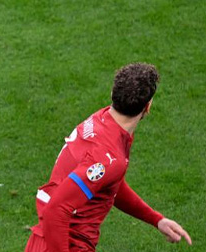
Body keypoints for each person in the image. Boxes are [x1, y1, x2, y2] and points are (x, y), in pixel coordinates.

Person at [24, 63, 192, 251]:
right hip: (66, 244)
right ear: (148, 107)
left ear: (113, 94)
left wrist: (156, 219)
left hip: (44, 240)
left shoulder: (103, 121)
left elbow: (109, 184)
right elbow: (56, 210)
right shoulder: (108, 157)